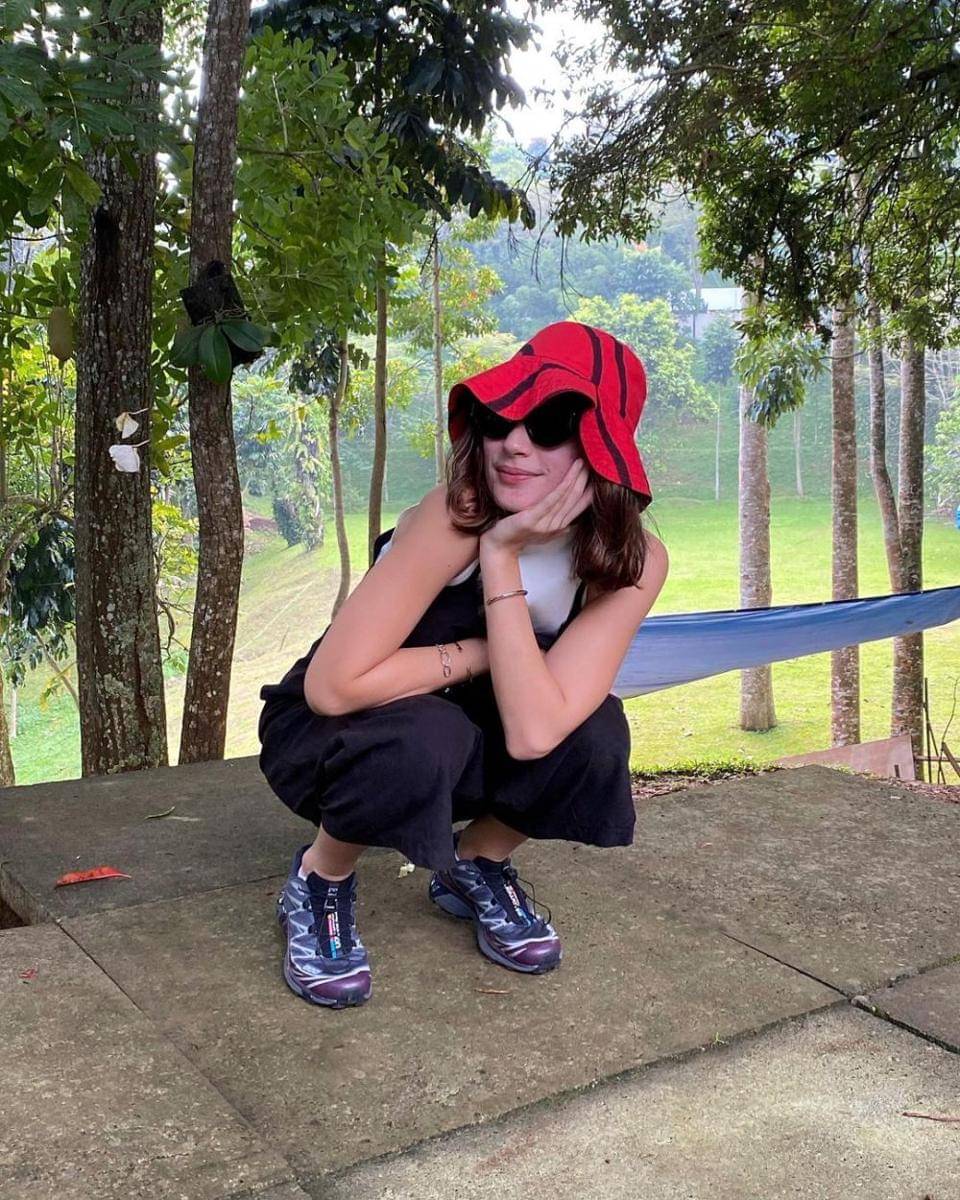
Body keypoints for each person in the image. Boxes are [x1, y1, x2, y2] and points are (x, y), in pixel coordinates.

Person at [257, 321, 670, 1009]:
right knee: (425, 735)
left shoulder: (634, 560)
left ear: (602, 446)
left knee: (596, 732)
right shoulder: (453, 518)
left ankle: (476, 861)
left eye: (550, 424)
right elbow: (334, 688)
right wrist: (483, 645)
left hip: (475, 735)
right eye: (502, 417)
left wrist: (503, 559)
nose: (515, 442)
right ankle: (319, 878)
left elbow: (537, 732)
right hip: (336, 735)